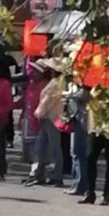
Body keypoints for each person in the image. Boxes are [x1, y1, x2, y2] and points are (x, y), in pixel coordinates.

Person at [24, 58, 64, 187]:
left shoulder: (55, 83)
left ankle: (57, 176)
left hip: (52, 118)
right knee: (41, 147)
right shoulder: (54, 82)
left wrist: (38, 114)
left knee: (54, 148)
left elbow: (47, 102)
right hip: (48, 117)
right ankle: (39, 174)